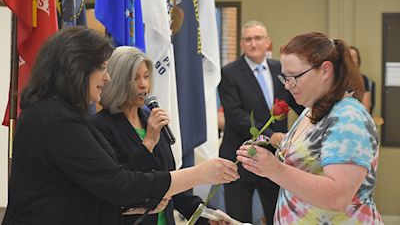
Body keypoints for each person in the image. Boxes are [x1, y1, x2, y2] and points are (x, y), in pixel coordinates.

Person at [2, 27, 239, 225]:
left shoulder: (57, 115)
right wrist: (200, 173)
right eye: (103, 68)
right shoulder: (57, 121)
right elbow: (119, 183)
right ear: (77, 69)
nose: (107, 78)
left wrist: (133, 207)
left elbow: (86, 190)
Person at [237, 32, 383, 224]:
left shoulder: (348, 117)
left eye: (294, 77)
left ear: (325, 70)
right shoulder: (311, 110)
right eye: (284, 78)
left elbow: (338, 196)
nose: (288, 86)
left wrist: (275, 170)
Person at [90, 46, 222, 225]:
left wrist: (208, 217)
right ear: (117, 81)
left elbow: (172, 184)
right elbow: (121, 184)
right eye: (135, 78)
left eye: (146, 76)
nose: (144, 84)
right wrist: (149, 142)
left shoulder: (150, 119)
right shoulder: (99, 126)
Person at [218, 20, 303, 224]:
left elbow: (299, 103)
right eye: (248, 39)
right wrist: (271, 135)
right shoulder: (229, 72)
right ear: (241, 44)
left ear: (268, 42)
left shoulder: (281, 70)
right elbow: (236, 115)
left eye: (258, 38)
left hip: (275, 159)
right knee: (239, 219)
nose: (253, 44)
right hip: (240, 157)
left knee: (277, 216)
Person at [349, 46, 376, 114]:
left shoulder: (363, 79)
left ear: (358, 61)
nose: (352, 59)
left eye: (354, 57)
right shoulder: (338, 78)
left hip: (357, 116)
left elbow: (366, 109)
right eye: (349, 56)